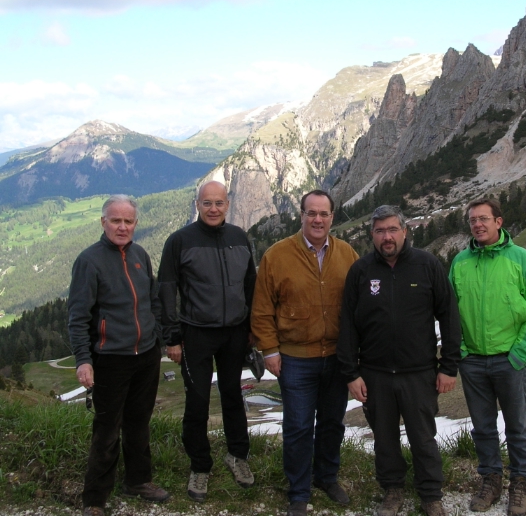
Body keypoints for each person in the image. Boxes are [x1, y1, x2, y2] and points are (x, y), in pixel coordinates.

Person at [338, 205, 461, 516]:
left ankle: (430, 495)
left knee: (423, 438)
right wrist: (351, 373)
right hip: (375, 373)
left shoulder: (427, 264)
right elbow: (348, 324)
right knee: (384, 439)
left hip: (419, 372)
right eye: (380, 231)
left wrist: (449, 366)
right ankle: (392, 490)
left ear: (405, 231)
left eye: (393, 229)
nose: (387, 237)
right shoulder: (361, 271)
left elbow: (449, 316)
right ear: (372, 235)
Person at [251, 189, 359, 516]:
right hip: (295, 358)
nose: (317, 219)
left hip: (337, 358)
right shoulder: (277, 255)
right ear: (301, 216)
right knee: (298, 426)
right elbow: (262, 310)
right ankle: (298, 491)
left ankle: (327, 477)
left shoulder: (347, 254)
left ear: (332, 218)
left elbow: (359, 307)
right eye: (311, 213)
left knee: (332, 423)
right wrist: (270, 350)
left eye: (323, 214)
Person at [68, 195, 170, 516]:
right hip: (110, 358)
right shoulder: (89, 261)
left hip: (146, 355)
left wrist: (157, 337)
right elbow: (78, 316)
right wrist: (83, 359)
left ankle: (138, 481)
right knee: (107, 428)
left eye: (128, 221)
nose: (122, 227)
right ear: (103, 222)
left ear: (135, 224)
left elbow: (152, 299)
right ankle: (94, 499)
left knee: (139, 422)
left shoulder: (140, 255)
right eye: (116, 220)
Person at [158, 181, 257, 502]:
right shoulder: (179, 241)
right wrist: (172, 338)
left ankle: (237, 456)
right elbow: (166, 290)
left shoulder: (239, 237)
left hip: (235, 332)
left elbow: (251, 285)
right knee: (197, 401)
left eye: (219, 203)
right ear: (197, 204)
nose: (213, 209)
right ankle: (200, 466)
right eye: (207, 203)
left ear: (227, 204)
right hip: (196, 333)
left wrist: (252, 328)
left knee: (233, 395)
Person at [448, 198, 526, 516]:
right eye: (472, 220)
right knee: (483, 427)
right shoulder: (460, 262)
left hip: (510, 360)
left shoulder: (521, 259)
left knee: (516, 426)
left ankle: (520, 483)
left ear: (498, 222)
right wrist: (462, 352)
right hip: (473, 361)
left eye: (483, 219)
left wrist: (519, 355)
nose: (477, 225)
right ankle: (491, 480)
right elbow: (449, 313)